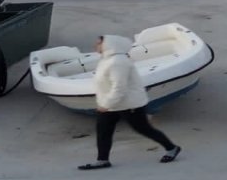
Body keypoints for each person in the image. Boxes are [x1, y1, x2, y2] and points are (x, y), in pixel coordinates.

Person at [78, 34, 181, 170]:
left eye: (99, 43)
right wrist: (105, 103)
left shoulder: (118, 62)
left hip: (129, 104)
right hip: (112, 104)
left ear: (109, 45)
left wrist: (106, 104)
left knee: (143, 128)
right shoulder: (108, 60)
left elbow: (120, 87)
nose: (95, 46)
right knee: (103, 130)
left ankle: (172, 148)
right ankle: (102, 160)